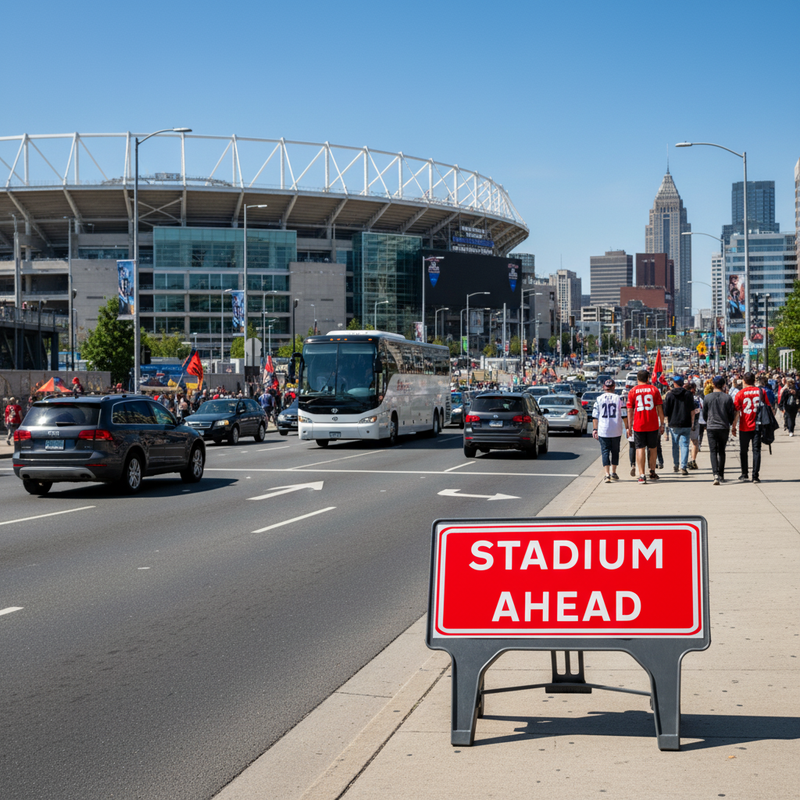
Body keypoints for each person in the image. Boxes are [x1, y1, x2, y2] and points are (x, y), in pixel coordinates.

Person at [627, 369, 666, 485]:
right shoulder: (654, 390)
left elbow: (630, 410)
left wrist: (629, 426)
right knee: (653, 448)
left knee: (640, 448)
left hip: (638, 424)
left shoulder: (632, 391)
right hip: (653, 423)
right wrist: (662, 424)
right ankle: (652, 471)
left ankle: (641, 474)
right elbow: (660, 409)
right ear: (648, 378)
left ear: (638, 379)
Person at [733, 372, 769, 484]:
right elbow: (768, 407)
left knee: (743, 450)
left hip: (744, 425)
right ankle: (755, 475)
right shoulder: (761, 392)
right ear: (754, 381)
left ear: (744, 381)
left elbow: (737, 411)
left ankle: (744, 473)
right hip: (758, 425)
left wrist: (733, 426)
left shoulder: (740, 393)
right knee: (756, 450)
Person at [591, 379, 627, 483]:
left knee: (605, 451)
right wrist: (628, 427)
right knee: (615, 451)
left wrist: (594, 429)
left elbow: (595, 416)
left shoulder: (599, 399)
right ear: (614, 387)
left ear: (604, 388)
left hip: (603, 429)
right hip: (616, 429)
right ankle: (613, 472)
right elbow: (624, 415)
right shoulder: (619, 399)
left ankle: (606, 474)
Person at [703, 376, 736, 485]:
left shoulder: (707, 398)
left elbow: (704, 414)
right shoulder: (727, 398)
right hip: (723, 427)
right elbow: (731, 414)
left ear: (713, 385)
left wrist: (708, 421)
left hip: (711, 427)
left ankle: (715, 474)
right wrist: (731, 423)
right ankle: (721, 474)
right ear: (723, 385)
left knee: (713, 451)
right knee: (721, 451)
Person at [663, 375, 695, 476]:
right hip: (686, 423)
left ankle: (676, 464)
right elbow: (692, 410)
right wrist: (692, 422)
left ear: (674, 383)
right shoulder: (688, 394)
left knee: (675, 445)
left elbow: (666, 412)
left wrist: (665, 425)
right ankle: (683, 466)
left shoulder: (669, 395)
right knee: (685, 445)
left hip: (674, 423)